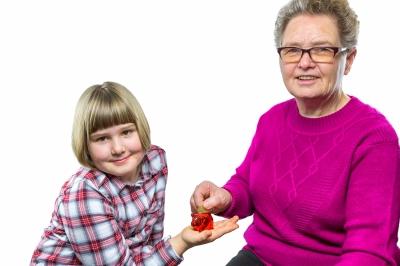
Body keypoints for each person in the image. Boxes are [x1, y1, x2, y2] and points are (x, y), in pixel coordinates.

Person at [190, 0, 400, 265]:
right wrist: (226, 196)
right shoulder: (272, 120)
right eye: (292, 50)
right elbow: (248, 183)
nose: (304, 62)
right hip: (259, 258)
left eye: (322, 50)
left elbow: (369, 252)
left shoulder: (374, 138)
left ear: (348, 59)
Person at [31, 81, 239, 265]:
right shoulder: (85, 193)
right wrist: (181, 242)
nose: (118, 148)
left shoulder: (155, 161)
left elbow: (150, 240)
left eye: (126, 132)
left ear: (140, 128)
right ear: (86, 144)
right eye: (102, 138)